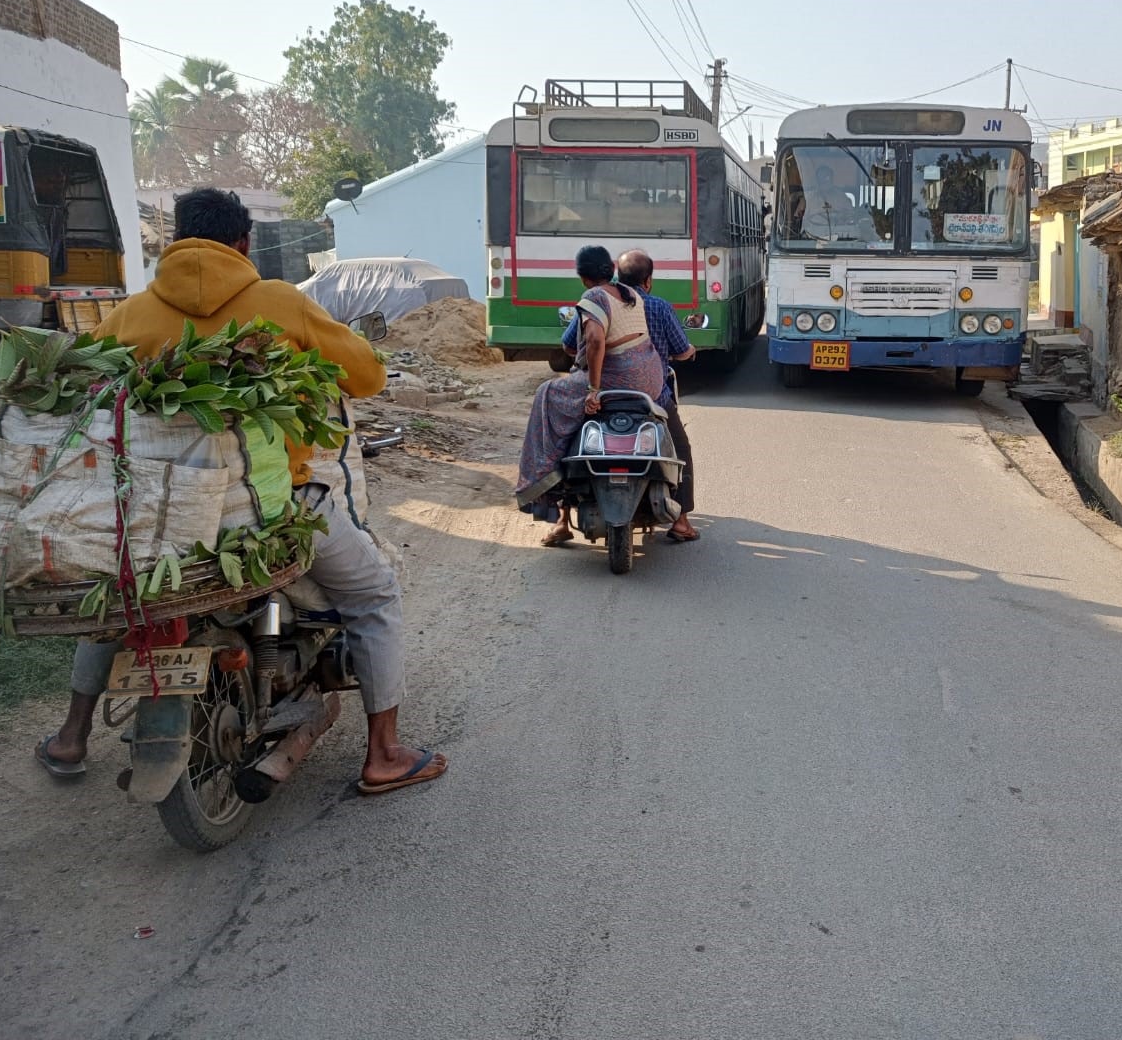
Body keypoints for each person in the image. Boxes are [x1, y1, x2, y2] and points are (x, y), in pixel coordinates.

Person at [35, 188, 447, 796]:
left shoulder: (131, 314)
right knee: (375, 594)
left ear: (175, 238)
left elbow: (87, 401)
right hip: (270, 512)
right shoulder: (279, 303)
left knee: (125, 599)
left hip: (164, 517)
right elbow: (367, 375)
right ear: (245, 243)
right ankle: (383, 753)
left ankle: (71, 736)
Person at [515, 246, 664, 546]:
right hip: (649, 380)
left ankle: (542, 480)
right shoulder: (627, 292)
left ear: (583, 278)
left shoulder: (593, 297)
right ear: (610, 268)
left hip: (616, 378)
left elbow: (594, 339)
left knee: (547, 394)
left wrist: (593, 390)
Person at [559, 248, 698, 542]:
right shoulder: (653, 305)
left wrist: (594, 387)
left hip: (604, 394)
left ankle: (560, 519)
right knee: (680, 450)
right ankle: (682, 521)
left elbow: (573, 345)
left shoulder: (598, 299)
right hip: (650, 394)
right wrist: (688, 352)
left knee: (565, 438)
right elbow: (682, 351)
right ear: (647, 281)